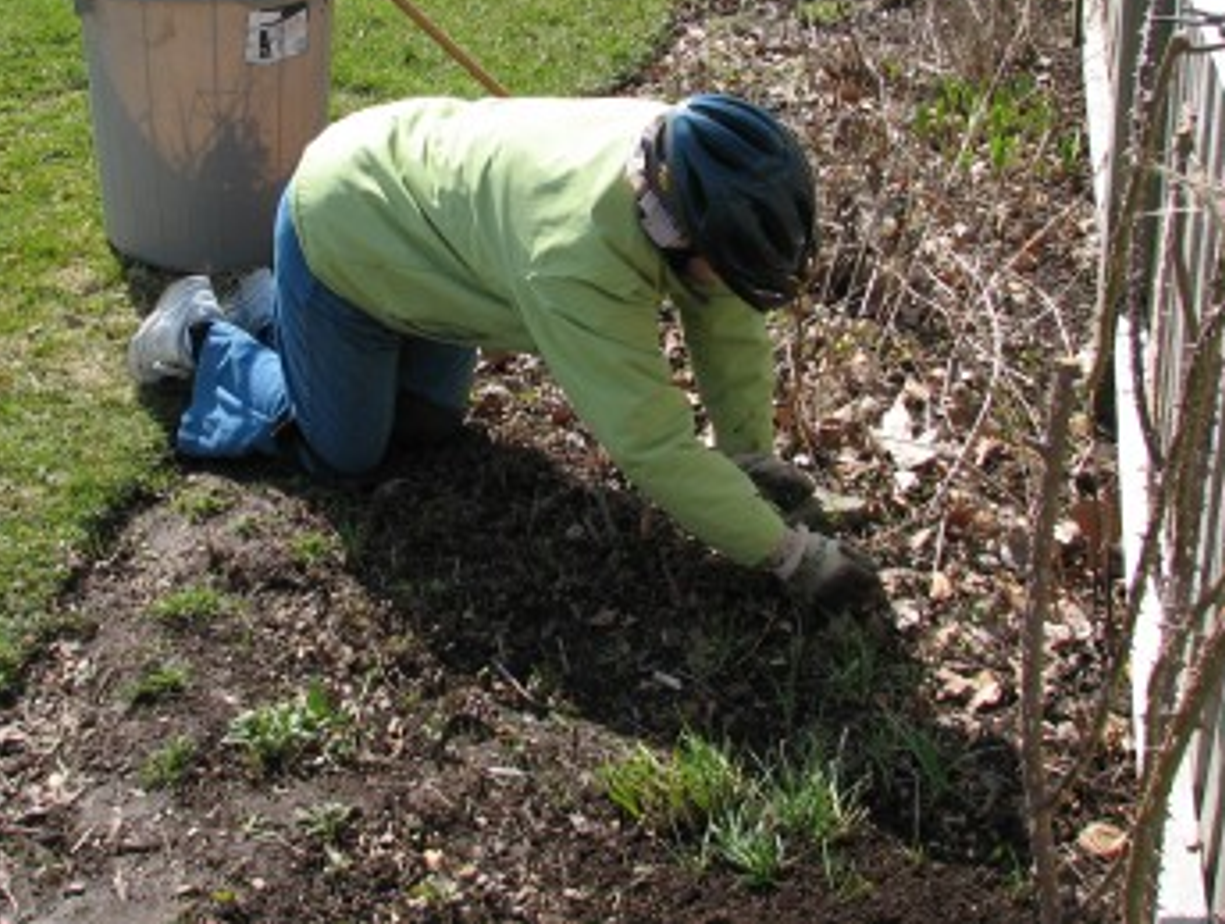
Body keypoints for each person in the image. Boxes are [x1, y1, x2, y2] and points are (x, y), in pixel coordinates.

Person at [128, 94, 880, 611]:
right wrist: (789, 555)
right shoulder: (577, 258)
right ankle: (200, 329)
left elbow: (726, 316)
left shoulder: (682, 159)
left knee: (428, 424)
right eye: (726, 265)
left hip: (427, 237)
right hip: (347, 227)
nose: (733, 287)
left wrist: (748, 456)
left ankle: (272, 305)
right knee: (346, 454)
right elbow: (652, 444)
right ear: (673, 234)